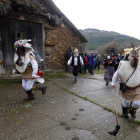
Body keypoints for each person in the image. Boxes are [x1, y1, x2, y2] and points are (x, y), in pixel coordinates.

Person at [111, 46, 140, 119]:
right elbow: (117, 73)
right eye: (133, 56)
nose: (135, 58)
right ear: (129, 56)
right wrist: (113, 82)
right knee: (126, 102)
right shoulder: (123, 64)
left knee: (137, 103)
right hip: (126, 88)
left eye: (137, 56)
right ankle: (125, 110)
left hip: (137, 87)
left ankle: (132, 110)